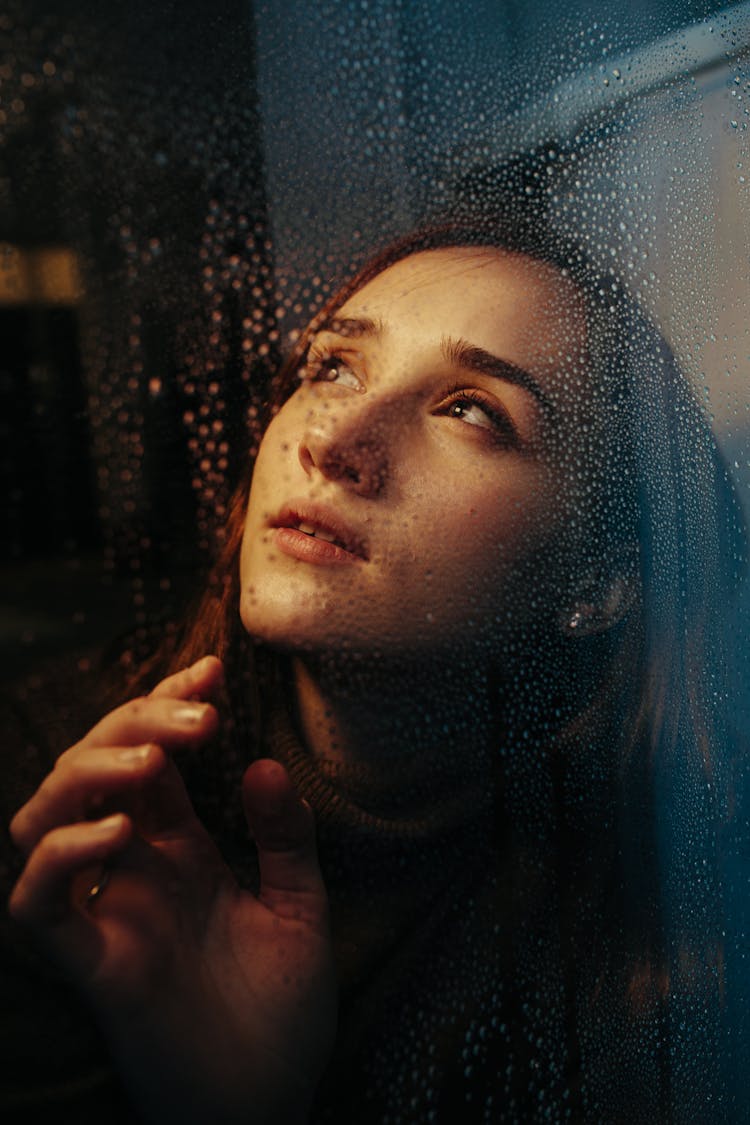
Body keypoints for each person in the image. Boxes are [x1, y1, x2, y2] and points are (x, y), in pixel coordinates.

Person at [3, 201, 744, 1123]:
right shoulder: (65, 788)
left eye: (471, 411)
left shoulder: (654, 952)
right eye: (334, 368)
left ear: (596, 578)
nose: (334, 442)